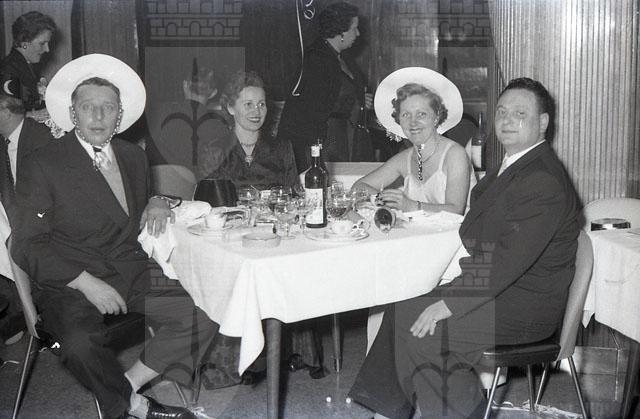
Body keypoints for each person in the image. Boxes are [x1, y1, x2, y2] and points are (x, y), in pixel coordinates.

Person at [349, 77, 580, 418]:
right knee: (404, 305)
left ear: (543, 122)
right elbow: (480, 235)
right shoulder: (517, 164)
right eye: (501, 112)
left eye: (520, 114)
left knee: (428, 333)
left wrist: (449, 302)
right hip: (503, 288)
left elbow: (505, 261)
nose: (507, 120)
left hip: (524, 307)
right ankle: (388, 412)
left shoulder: (542, 179)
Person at [11, 54, 218, 419]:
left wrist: (157, 200)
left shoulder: (132, 156)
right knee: (78, 344)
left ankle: (125, 388)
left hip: (129, 269)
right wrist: (85, 282)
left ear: (119, 116)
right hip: (69, 281)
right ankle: (138, 406)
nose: (98, 116)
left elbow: (128, 210)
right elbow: (27, 245)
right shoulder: (43, 163)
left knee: (206, 312)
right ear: (72, 114)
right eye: (87, 107)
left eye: (108, 108)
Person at [353, 67, 475, 215]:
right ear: (398, 120)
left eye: (421, 114)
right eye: (406, 115)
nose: (413, 122)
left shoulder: (455, 154)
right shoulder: (405, 158)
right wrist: (385, 201)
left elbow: (455, 210)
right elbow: (358, 187)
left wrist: (411, 206)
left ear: (436, 117)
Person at [276, 1, 373, 172]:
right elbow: (311, 109)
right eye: (354, 28)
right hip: (323, 142)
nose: (358, 34)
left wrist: (359, 99)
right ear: (340, 32)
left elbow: (341, 91)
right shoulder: (316, 59)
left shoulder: (342, 57)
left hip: (342, 137)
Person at [0, 78, 53, 345]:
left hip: (46, 223)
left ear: (5, 111)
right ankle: (17, 315)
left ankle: (26, 316)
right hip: (17, 220)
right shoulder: (5, 141)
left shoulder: (41, 137)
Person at [200, 70, 299, 188]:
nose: (257, 111)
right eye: (248, 104)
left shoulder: (282, 149)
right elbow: (209, 196)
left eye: (261, 104)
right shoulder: (215, 151)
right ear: (231, 108)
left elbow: (293, 194)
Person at [0, 11, 56, 121]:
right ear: (24, 43)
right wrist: (34, 115)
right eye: (42, 43)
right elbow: (4, 113)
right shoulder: (9, 69)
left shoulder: (24, 65)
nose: (47, 49)